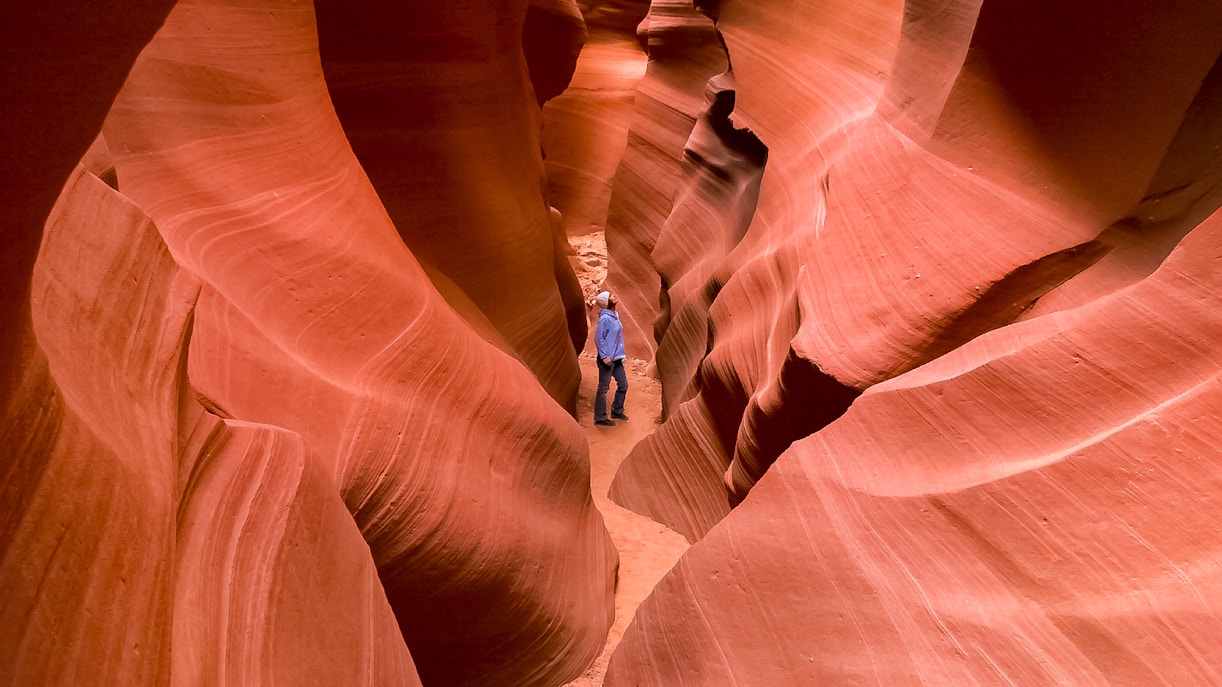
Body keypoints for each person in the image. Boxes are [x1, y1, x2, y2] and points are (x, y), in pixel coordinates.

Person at [593, 290, 628, 426]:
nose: (615, 296)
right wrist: (605, 356)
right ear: (607, 302)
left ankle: (616, 411)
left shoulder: (615, 315)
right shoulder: (605, 319)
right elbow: (598, 338)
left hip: (617, 358)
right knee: (603, 388)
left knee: (623, 384)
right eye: (611, 296)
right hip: (607, 360)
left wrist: (619, 353)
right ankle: (600, 417)